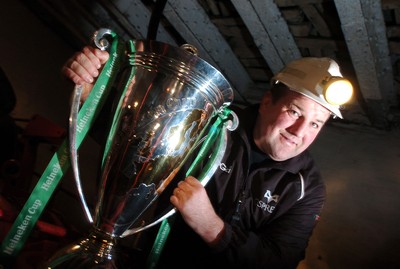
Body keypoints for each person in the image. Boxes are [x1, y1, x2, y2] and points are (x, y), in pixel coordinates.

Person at [61, 46, 353, 269]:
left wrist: (211, 226)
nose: (300, 131)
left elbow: (279, 261)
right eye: (294, 112)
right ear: (266, 102)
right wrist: (90, 92)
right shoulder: (209, 122)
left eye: (316, 123)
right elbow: (134, 146)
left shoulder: (307, 188)